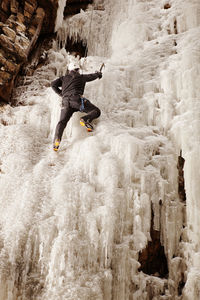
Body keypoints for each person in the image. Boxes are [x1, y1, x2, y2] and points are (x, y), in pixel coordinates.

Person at [51, 61, 102, 151]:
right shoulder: (80, 77)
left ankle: (56, 141)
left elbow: (53, 84)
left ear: (69, 70)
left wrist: (61, 94)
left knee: (62, 122)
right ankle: (85, 119)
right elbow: (91, 76)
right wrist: (98, 74)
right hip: (77, 100)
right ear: (78, 69)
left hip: (65, 103)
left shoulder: (63, 78)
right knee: (96, 111)